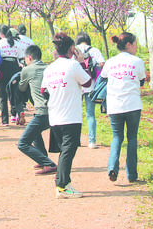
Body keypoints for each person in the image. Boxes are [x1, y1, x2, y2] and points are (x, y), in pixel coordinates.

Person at [41, 33, 92, 198]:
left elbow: (43, 91)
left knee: (65, 151)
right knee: (68, 151)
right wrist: (82, 63)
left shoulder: (50, 68)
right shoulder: (73, 66)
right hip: (70, 116)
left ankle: (62, 181)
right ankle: (62, 187)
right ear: (72, 49)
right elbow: (88, 82)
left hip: (54, 115)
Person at [101, 32, 146, 183]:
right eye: (135, 44)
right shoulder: (137, 61)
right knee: (132, 138)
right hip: (133, 105)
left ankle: (112, 168)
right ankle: (131, 175)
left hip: (114, 105)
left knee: (117, 137)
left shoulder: (110, 62)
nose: (136, 47)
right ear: (128, 45)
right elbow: (141, 81)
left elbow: (103, 78)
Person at [17, 44, 58, 175]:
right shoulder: (49, 67)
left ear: (29, 57)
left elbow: (21, 88)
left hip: (42, 112)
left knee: (22, 143)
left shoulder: (28, 70)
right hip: (54, 110)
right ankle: (42, 158)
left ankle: (49, 164)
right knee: (35, 133)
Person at [75, 31, 106, 149]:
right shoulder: (95, 50)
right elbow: (102, 64)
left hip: (77, 86)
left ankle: (76, 140)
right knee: (90, 114)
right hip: (90, 86)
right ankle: (92, 141)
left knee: (76, 114)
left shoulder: (75, 50)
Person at [0, 25, 22, 126]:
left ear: (1, 34)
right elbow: (20, 57)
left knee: (2, 95)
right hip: (15, 67)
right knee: (15, 92)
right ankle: (16, 115)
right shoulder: (17, 43)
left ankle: (5, 120)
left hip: (3, 68)